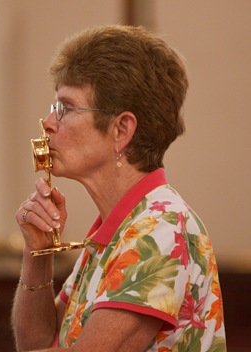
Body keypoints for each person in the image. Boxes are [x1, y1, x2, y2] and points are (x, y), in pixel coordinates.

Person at [12, 24, 226, 352]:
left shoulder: (160, 230)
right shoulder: (119, 230)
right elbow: (38, 342)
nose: (48, 123)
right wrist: (37, 253)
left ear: (121, 129)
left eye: (65, 108)